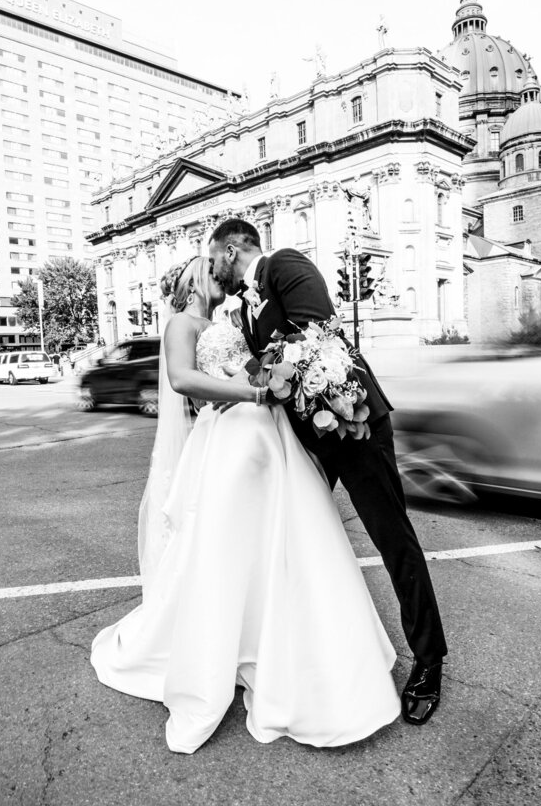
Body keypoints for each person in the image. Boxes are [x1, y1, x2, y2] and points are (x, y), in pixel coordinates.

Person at [90, 256, 399, 754]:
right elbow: (183, 381)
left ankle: (303, 651)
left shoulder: (232, 319)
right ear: (190, 280)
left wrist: (277, 379)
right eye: (207, 269)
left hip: (268, 435)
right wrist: (253, 392)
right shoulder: (181, 324)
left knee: (290, 539)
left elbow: (262, 363)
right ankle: (230, 643)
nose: (219, 274)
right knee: (231, 546)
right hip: (230, 438)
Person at [207, 218, 447, 725]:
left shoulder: (286, 265)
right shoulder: (245, 312)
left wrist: (262, 376)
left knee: (392, 540)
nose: (212, 271)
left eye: (213, 260)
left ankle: (429, 661)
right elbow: (267, 368)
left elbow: (316, 336)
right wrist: (238, 388)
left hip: (353, 424)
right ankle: (315, 658)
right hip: (308, 439)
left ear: (231, 250)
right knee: (301, 541)